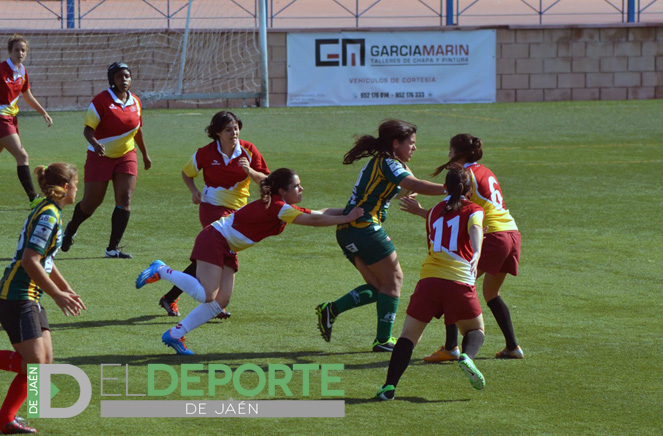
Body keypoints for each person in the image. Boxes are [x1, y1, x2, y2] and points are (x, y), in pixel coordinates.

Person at [136, 168, 363, 355]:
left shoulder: (282, 206)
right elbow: (314, 220)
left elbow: (320, 211)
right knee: (207, 295)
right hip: (214, 239)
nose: (301, 189)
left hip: (227, 246)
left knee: (220, 301)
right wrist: (346, 218)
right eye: (297, 186)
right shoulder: (278, 207)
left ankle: (176, 334)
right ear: (283, 190)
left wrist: (351, 209)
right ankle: (162, 269)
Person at [315, 119, 445, 352]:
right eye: (411, 143)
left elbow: (406, 187)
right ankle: (383, 340)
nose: (414, 148)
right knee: (394, 281)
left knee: (380, 287)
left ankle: (331, 309)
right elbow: (412, 184)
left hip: (348, 231)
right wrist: (450, 188)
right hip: (365, 228)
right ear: (396, 143)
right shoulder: (389, 163)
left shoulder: (382, 162)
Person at [401, 133, 523, 361]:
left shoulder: (464, 177)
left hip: (492, 235)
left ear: (456, 152)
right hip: (511, 233)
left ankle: (451, 347)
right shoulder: (484, 170)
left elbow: (449, 214)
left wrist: (416, 202)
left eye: (449, 150)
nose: (447, 154)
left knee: (452, 283)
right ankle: (512, 347)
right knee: (490, 293)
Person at [376, 163, 486, 401]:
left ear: (445, 187)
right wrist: (476, 253)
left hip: (429, 282)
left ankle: (389, 387)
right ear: (469, 189)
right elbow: (475, 228)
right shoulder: (475, 209)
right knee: (476, 330)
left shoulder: (435, 211)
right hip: (459, 281)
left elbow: (444, 227)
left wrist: (420, 211)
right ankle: (466, 356)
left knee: (407, 338)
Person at [157, 110, 270, 319]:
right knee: (222, 253)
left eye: (236, 128)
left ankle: (170, 297)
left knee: (209, 258)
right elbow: (187, 173)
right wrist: (194, 192)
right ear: (217, 132)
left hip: (238, 213)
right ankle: (218, 304)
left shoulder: (249, 151)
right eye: (228, 129)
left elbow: (267, 181)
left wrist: (250, 172)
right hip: (212, 207)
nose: (234, 133)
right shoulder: (206, 153)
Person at [0, 163, 86, 433]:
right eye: (75, 184)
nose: (77, 189)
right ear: (64, 187)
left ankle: (5, 421)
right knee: (35, 364)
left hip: (32, 293)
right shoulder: (49, 215)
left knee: (44, 364)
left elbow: (45, 259)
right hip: (17, 294)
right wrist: (58, 295)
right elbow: (30, 261)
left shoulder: (50, 210)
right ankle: (5, 419)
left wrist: (65, 288)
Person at [61, 62, 151, 259]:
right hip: (99, 156)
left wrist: (145, 154)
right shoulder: (100, 101)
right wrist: (95, 144)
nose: (124, 80)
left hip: (126, 155)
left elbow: (138, 130)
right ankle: (71, 229)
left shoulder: (135, 101)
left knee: (125, 199)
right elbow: (87, 130)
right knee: (91, 203)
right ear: (112, 80)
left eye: (127, 76)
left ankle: (112, 248)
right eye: (119, 76)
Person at [0, 34, 53, 209]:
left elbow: (27, 95)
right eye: (17, 50)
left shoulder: (22, 71)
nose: (20, 53)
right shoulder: (1, 70)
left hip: (12, 119)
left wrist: (43, 112)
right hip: (1, 120)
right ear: (9, 52)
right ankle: (33, 198)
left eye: (23, 50)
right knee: (22, 156)